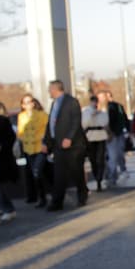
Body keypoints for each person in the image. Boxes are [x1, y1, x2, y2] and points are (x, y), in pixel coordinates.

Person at [42, 79, 87, 211]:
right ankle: (57, 202)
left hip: (73, 146)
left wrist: (69, 138)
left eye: (50, 89)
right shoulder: (54, 104)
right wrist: (46, 141)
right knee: (59, 174)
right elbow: (51, 124)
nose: (49, 92)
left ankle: (82, 195)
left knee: (76, 172)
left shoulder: (71, 102)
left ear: (56, 89)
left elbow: (76, 121)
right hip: (58, 145)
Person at [17, 94, 49, 208]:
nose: (28, 104)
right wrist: (24, 138)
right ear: (22, 105)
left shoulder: (42, 115)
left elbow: (47, 130)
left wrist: (42, 140)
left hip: (40, 147)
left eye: (30, 102)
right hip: (28, 148)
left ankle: (44, 196)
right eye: (25, 103)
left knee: (37, 171)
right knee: (34, 173)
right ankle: (40, 196)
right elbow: (20, 132)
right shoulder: (21, 116)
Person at [81, 94, 110, 191]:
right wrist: (92, 116)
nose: (94, 104)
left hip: (101, 136)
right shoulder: (86, 112)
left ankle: (99, 179)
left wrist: (99, 114)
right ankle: (96, 176)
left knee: (100, 159)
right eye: (93, 102)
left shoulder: (102, 111)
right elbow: (84, 124)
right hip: (90, 137)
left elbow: (105, 122)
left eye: (96, 102)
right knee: (93, 160)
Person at [102, 91, 129, 185]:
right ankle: (114, 174)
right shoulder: (102, 108)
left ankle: (114, 175)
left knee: (115, 155)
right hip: (109, 134)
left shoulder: (115, 107)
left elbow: (122, 119)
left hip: (115, 134)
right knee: (113, 156)